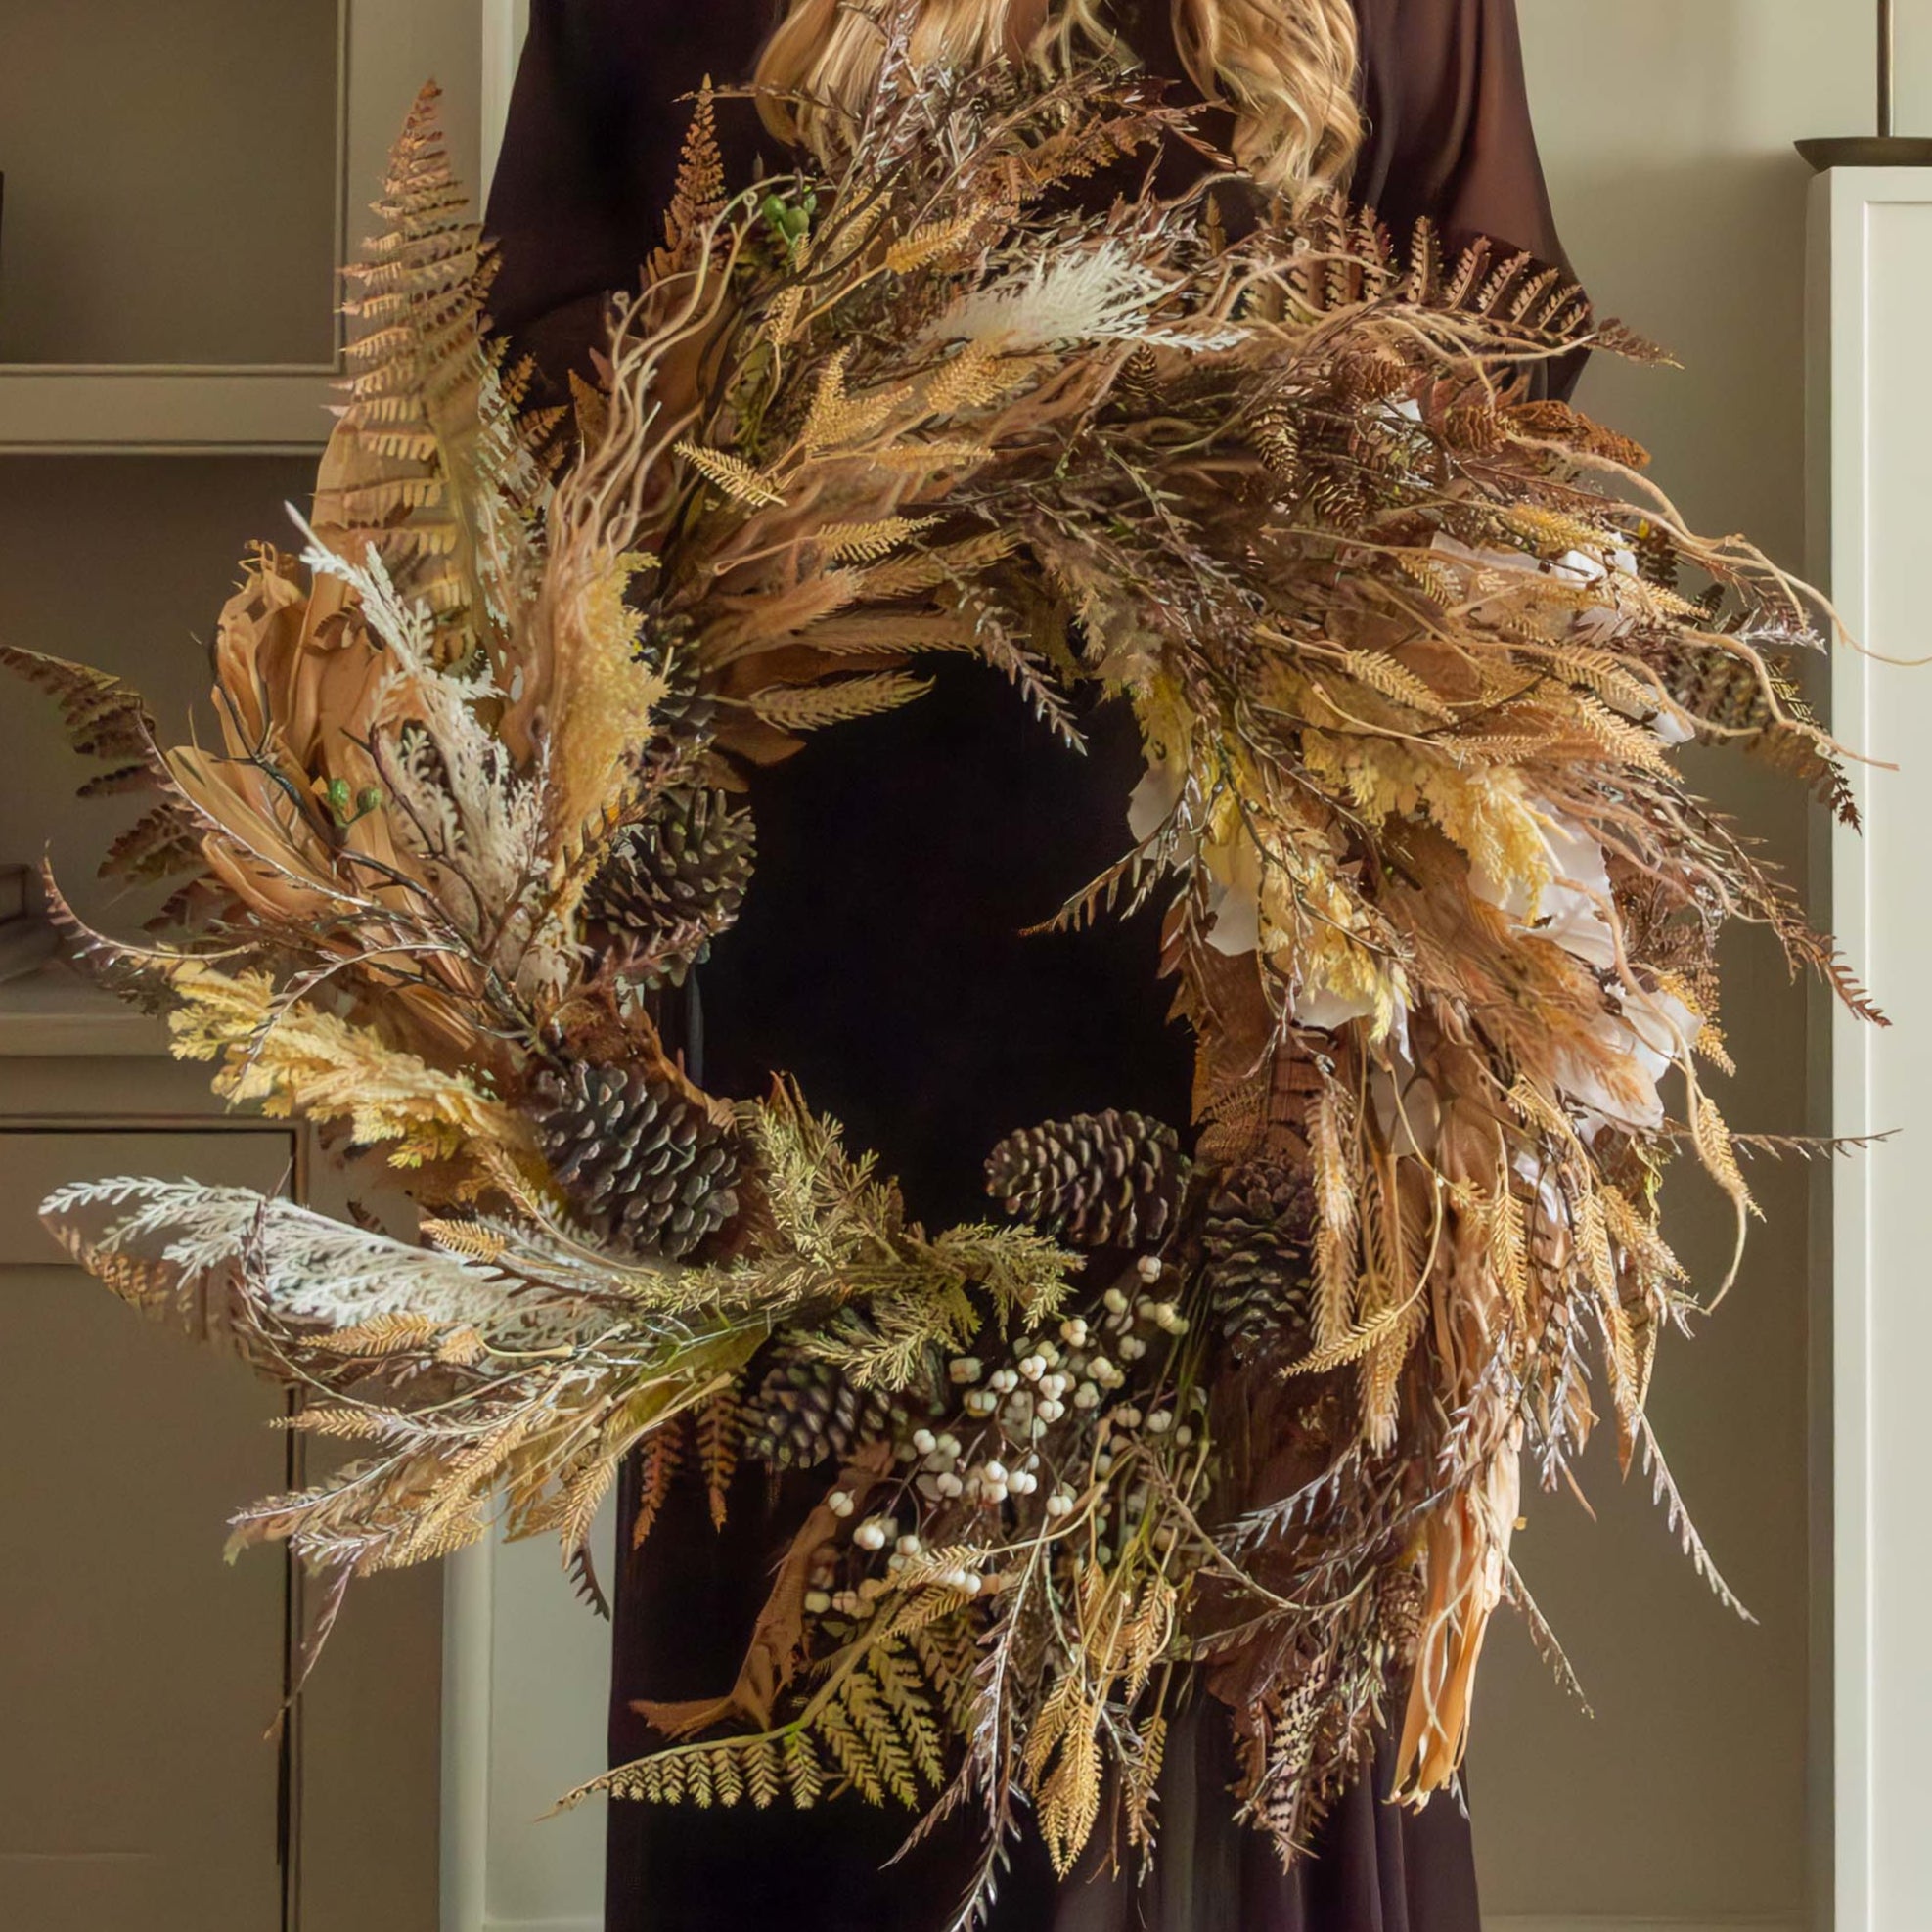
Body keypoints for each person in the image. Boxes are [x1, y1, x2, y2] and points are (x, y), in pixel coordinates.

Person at [484, 4, 1580, 1926]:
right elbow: (529, 351)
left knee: (1252, 1688)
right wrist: (781, 438)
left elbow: (1509, 332)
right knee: (822, 1693)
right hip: (822, 975)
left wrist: (1328, 399)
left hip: (1256, 983)